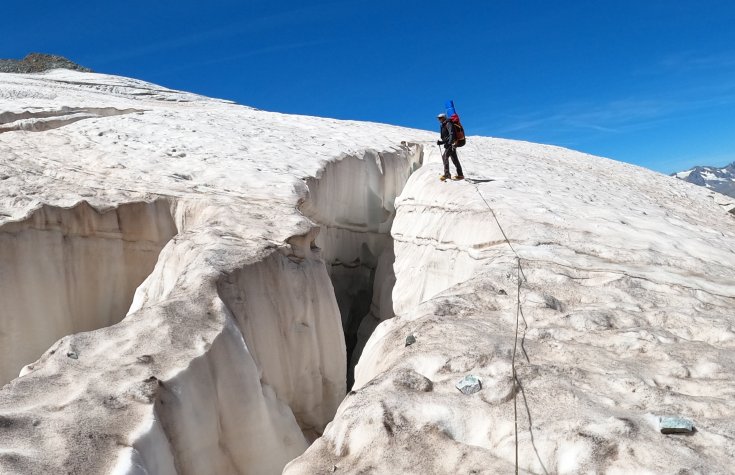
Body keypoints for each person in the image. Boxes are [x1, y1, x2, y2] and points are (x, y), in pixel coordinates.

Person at [436, 113, 464, 181]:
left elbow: (451, 134)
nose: (439, 119)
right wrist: (441, 142)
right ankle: (460, 175)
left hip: (450, 144)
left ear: (444, 117)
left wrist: (450, 143)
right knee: (454, 159)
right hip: (451, 143)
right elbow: (447, 137)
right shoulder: (445, 124)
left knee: (445, 157)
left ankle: (447, 174)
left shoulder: (448, 123)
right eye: (438, 118)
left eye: (440, 118)